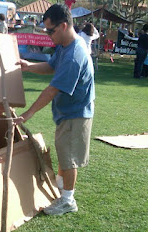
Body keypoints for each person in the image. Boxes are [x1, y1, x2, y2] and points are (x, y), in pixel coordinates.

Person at [15, 4, 95, 216]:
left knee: (69, 157)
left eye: (51, 31)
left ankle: (68, 200)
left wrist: (28, 113)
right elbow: (51, 66)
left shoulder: (74, 54)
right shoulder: (63, 46)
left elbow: (52, 89)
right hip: (67, 112)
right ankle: (61, 189)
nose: (49, 35)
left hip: (76, 113)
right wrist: (29, 66)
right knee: (63, 151)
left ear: (64, 25)